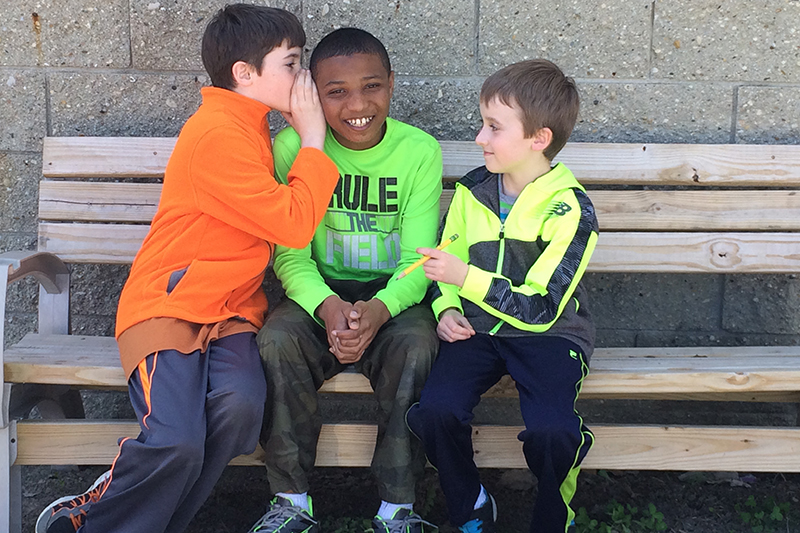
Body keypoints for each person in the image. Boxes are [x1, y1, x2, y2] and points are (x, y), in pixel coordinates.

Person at [34, 5, 340, 533]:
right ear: (245, 74)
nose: (304, 77)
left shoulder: (251, 126)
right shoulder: (217, 135)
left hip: (231, 313)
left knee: (242, 408)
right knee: (175, 438)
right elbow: (293, 225)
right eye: (292, 63)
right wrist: (312, 137)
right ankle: (99, 520)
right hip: (170, 309)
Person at [247, 28, 442, 533]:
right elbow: (289, 255)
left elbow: (418, 260)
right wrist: (328, 306)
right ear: (313, 94)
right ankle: (291, 501)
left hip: (391, 295)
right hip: (319, 290)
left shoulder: (418, 151)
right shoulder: (294, 148)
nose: (358, 104)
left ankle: (398, 509)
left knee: (418, 348)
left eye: (372, 86)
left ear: (392, 85)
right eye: (336, 92)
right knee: (276, 341)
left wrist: (379, 309)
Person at [406, 59, 598, 533]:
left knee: (553, 432)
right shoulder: (473, 191)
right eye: (482, 124)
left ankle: (555, 518)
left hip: (550, 336)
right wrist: (446, 307)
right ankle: (471, 505)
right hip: (480, 329)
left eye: (493, 127)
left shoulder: (570, 208)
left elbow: (541, 308)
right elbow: (441, 267)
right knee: (434, 411)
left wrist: (464, 278)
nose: (479, 138)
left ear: (539, 138)